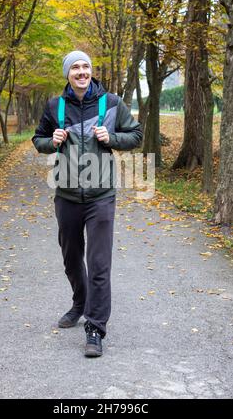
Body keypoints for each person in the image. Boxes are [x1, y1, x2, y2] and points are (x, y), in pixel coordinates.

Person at [32, 50, 143, 357]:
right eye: (75, 68)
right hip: (66, 195)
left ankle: (95, 327)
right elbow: (38, 139)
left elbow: (136, 135)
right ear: (67, 74)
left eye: (86, 67)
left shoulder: (112, 103)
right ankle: (79, 303)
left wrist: (111, 138)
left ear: (91, 72)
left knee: (98, 264)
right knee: (71, 258)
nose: (81, 72)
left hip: (101, 196)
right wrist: (50, 141)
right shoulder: (56, 105)